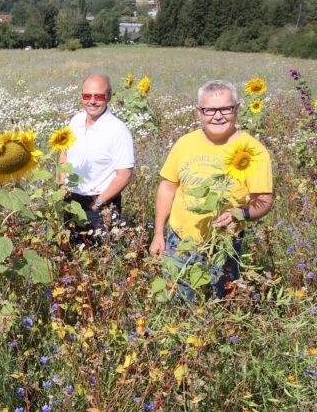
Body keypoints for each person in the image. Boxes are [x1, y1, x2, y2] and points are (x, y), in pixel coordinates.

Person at [149, 80, 273, 301]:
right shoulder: (184, 144)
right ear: (199, 113)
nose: (218, 116)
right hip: (180, 240)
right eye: (209, 110)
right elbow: (167, 189)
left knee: (219, 304)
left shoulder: (253, 151)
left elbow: (263, 200)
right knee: (177, 301)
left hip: (224, 244)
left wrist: (239, 214)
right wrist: (158, 234)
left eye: (226, 108)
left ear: (237, 109)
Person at [59, 73, 134, 244]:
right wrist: (62, 184)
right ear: (81, 97)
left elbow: (124, 175)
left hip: (99, 206)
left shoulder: (118, 130)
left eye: (98, 96)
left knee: (100, 258)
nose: (92, 101)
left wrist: (99, 202)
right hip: (71, 201)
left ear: (108, 97)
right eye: (87, 96)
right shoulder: (75, 121)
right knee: (71, 255)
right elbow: (64, 152)